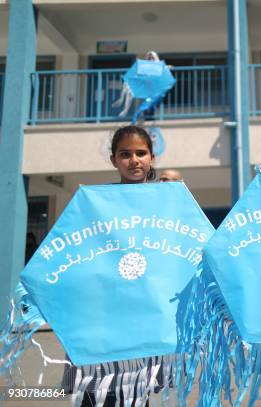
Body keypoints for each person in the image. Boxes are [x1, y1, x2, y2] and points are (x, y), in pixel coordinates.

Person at [63, 125, 155, 407]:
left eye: (141, 153)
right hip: (100, 317)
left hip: (143, 317)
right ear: (114, 159)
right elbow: (72, 252)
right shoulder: (94, 203)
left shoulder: (164, 203)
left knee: (137, 396)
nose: (134, 160)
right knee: (95, 394)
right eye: (125, 154)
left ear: (152, 157)